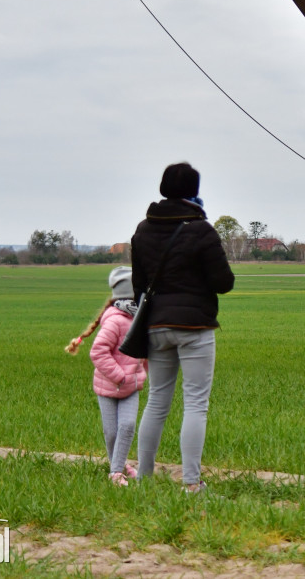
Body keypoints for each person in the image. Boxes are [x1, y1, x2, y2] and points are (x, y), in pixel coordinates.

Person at [131, 162, 235, 494]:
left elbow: (137, 287)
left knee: (157, 401)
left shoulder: (143, 230)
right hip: (195, 327)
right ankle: (191, 483)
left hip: (156, 325)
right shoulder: (201, 230)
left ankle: (144, 478)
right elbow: (224, 282)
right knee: (195, 404)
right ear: (195, 191)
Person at [66, 266, 147, 486]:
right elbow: (98, 352)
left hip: (131, 387)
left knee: (128, 426)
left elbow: (144, 353)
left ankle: (115, 472)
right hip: (109, 387)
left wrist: (140, 375)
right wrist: (120, 377)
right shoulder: (115, 321)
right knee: (111, 433)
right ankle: (119, 467)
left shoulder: (139, 319)